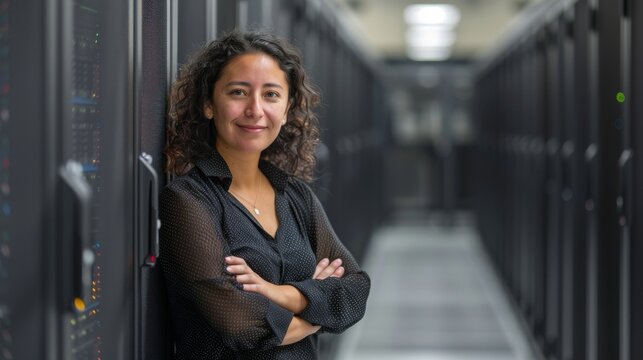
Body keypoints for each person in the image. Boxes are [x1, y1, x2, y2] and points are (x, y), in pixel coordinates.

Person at [159, 30, 371, 359]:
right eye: (238, 92)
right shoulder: (188, 200)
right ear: (208, 104)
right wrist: (317, 313)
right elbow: (241, 324)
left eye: (271, 95)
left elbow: (355, 291)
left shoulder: (296, 196)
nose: (255, 109)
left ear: (287, 110)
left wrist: (279, 293)